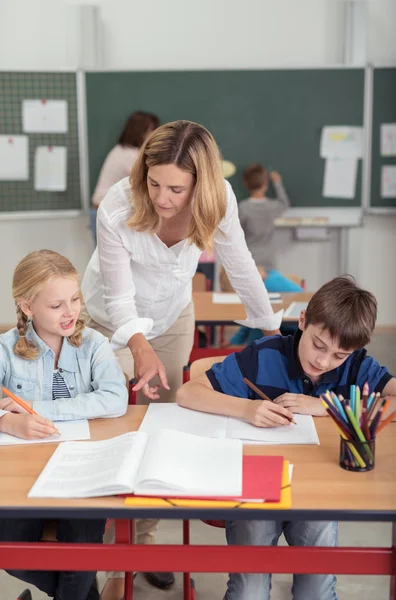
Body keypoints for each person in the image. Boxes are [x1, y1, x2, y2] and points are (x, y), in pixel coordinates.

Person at [81, 120, 283, 597]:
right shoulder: (118, 204)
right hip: (108, 319)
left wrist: (273, 328)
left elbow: (240, 266)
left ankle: (142, 545)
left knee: (163, 425)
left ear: (202, 184)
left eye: (176, 188)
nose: (162, 198)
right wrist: (137, 345)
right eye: (153, 183)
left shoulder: (220, 201)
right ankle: (100, 554)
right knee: (110, 422)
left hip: (172, 319)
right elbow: (119, 294)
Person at [177, 275, 396, 600]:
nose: (323, 361)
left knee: (317, 591)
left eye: (338, 355)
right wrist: (246, 409)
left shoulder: (357, 367)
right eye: (318, 345)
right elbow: (187, 393)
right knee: (248, 592)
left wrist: (328, 405)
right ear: (303, 321)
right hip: (256, 489)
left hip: (320, 493)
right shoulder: (264, 355)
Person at [0, 250, 128, 600]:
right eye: (57, 305)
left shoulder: (93, 344)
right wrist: (8, 423)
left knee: (83, 550)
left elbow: (116, 399)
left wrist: (36, 409)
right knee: (8, 550)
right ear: (27, 307)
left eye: (74, 299)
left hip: (83, 469)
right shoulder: (7, 348)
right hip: (23, 472)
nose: (70, 312)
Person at [229, 163, 302, 345]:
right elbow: (285, 203)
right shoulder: (272, 207)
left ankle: (248, 342)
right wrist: (278, 183)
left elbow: (234, 232)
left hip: (251, 262)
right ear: (265, 184)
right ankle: (262, 341)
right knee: (268, 305)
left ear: (246, 184)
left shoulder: (243, 207)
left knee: (253, 306)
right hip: (269, 263)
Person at [90, 111, 160, 242]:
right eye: (152, 129)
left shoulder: (120, 150)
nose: (155, 134)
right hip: (107, 212)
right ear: (140, 131)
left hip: (104, 210)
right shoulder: (130, 155)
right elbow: (149, 180)